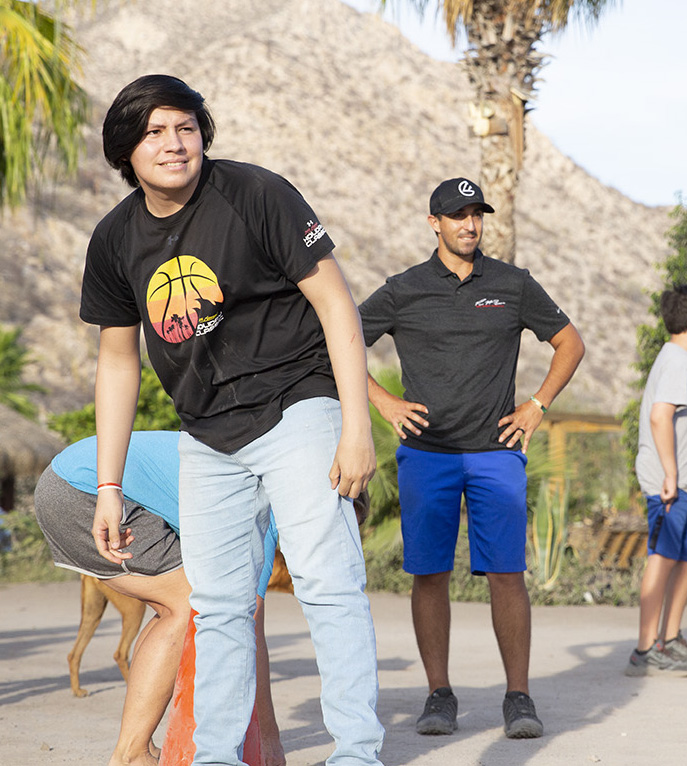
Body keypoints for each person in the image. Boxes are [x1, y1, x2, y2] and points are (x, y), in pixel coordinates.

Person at [79, 75, 383, 766]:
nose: (174, 143)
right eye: (154, 132)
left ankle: (357, 753)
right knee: (218, 606)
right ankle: (217, 755)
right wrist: (108, 485)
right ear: (126, 150)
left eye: (185, 126)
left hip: (296, 404)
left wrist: (355, 427)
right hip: (207, 433)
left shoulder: (255, 194)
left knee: (328, 584)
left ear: (202, 133)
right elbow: (118, 363)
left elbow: (337, 304)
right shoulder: (115, 239)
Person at [358, 177, 585, 739]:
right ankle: (439, 695)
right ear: (434, 223)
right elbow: (335, 341)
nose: (470, 224)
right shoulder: (404, 289)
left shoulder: (511, 284)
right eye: (457, 216)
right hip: (426, 455)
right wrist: (383, 402)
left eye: (476, 214)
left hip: (496, 453)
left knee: (507, 575)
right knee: (429, 574)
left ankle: (518, 697)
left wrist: (536, 405)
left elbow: (570, 343)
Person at [34, 431, 286, 766]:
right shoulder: (263, 504)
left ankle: (135, 748)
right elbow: (250, 621)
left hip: (67, 480)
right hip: (87, 493)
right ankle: (131, 753)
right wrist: (271, 746)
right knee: (192, 603)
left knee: (174, 606)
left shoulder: (248, 461)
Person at [626, 284, 687, 677]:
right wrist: (671, 474)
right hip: (671, 484)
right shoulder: (678, 362)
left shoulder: (683, 361)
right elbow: (660, 416)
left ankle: (671, 637)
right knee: (662, 558)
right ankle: (645, 650)